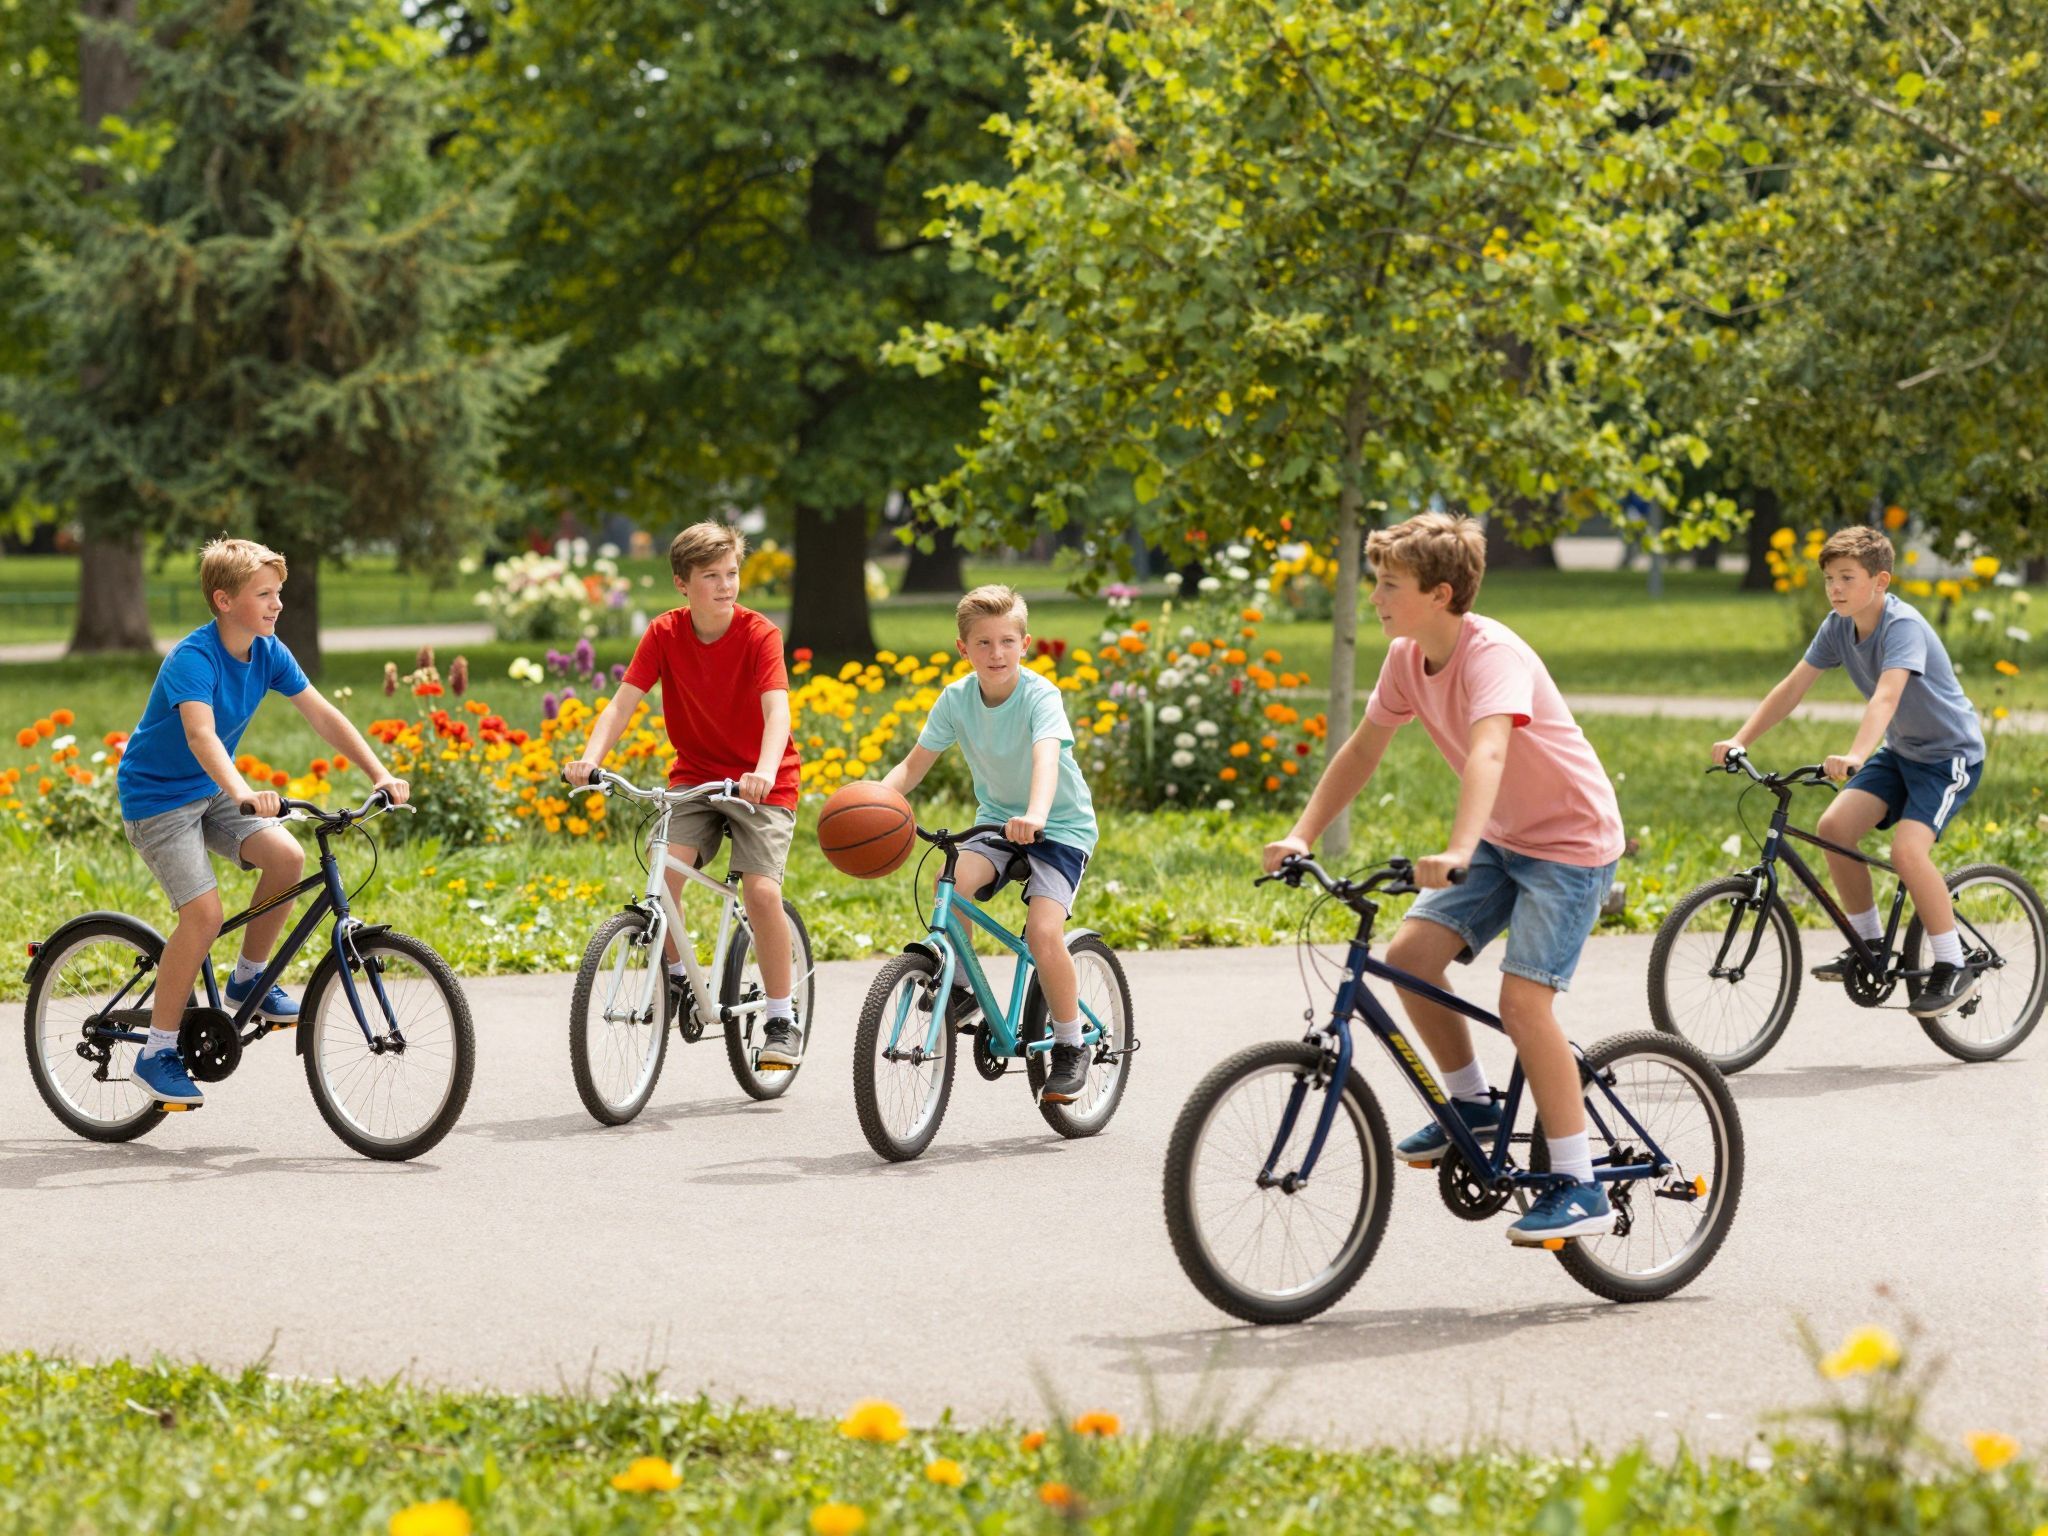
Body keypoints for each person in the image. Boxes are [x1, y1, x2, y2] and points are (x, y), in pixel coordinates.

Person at [1264, 512, 1625, 1245]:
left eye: (1389, 584)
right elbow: (1363, 751)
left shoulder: (1493, 656)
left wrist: (1459, 847)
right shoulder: (1405, 658)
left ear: (1441, 592)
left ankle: (1582, 1182)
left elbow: (1489, 752)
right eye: (1376, 582)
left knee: (1524, 1007)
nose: (1376, 597)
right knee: (1409, 959)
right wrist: (1302, 833)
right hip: (1503, 835)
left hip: (1570, 842)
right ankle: (1475, 1105)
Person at [117, 538, 409, 1106]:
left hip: (210, 790)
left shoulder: (269, 651)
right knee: (203, 917)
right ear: (224, 600)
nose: (277, 605)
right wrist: (246, 792)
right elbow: (201, 737)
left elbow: (323, 714)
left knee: (288, 859)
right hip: (157, 800)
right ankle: (155, 1053)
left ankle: (249, 976)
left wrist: (379, 771)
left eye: (279, 593)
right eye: (264, 594)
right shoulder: (192, 660)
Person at [1712, 525, 1985, 1017]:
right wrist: (1740, 739)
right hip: (1903, 753)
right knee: (1835, 828)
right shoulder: (1838, 625)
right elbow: (1791, 689)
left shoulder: (1903, 626)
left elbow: (1887, 695)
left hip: (1949, 757)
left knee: (1907, 851)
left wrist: (1857, 753)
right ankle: (1869, 944)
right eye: (1828, 579)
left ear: (1880, 581)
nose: (1835, 589)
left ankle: (1953, 962)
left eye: (1846, 578)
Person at [564, 521, 804, 1064]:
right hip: (695, 775)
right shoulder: (665, 634)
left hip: (761, 781)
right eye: (711, 576)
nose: (726, 586)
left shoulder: (759, 633)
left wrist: (764, 769)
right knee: (664, 873)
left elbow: (777, 710)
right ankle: (676, 979)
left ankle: (780, 1017)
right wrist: (591, 760)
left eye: (732, 573)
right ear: (682, 584)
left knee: (762, 893)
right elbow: (622, 703)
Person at [879, 585, 1100, 1103]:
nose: (996, 653)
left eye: (1007, 641)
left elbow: (1047, 756)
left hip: (1060, 826)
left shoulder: (1040, 695)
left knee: (1045, 934)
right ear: (964, 649)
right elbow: (914, 765)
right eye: (983, 643)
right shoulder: (956, 699)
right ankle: (963, 993)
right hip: (998, 824)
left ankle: (1070, 1045)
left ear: (1025, 644)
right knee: (945, 887)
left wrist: (1037, 815)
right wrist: (873, 801)